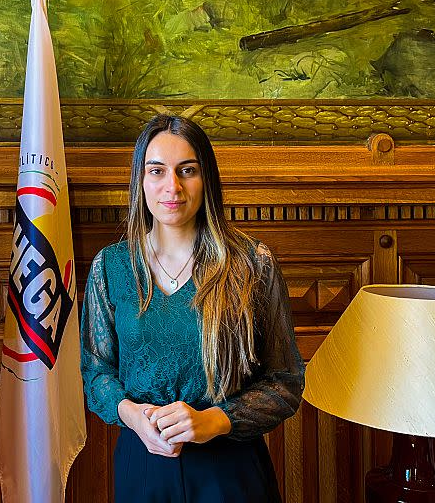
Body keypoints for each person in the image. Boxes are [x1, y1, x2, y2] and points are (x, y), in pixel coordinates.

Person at [80, 114, 305, 502]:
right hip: (143, 462)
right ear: (140, 181)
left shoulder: (253, 264)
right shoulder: (110, 267)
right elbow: (96, 372)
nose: (173, 187)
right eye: (157, 171)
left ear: (207, 180)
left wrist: (213, 420)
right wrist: (133, 415)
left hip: (229, 466)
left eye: (188, 170)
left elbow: (285, 382)